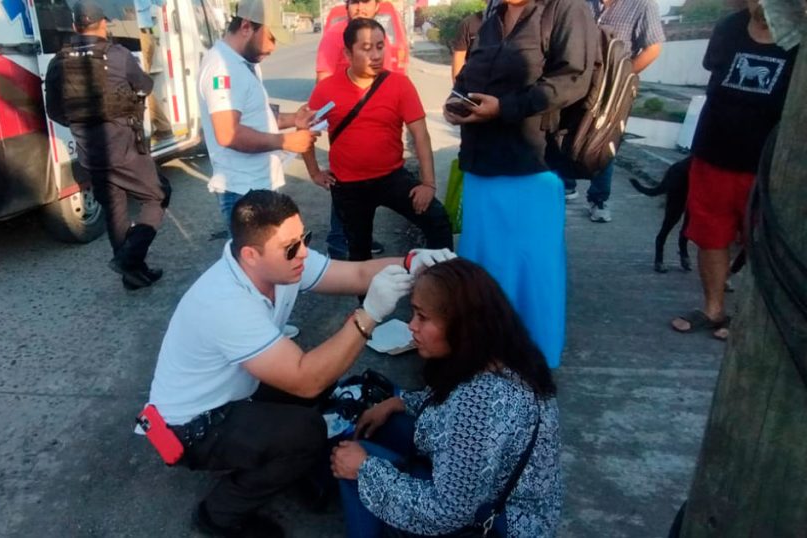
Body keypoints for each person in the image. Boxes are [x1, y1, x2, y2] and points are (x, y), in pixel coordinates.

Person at [143, 190, 455, 537]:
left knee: (321, 388)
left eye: (304, 238)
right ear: (250, 255)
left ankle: (290, 465)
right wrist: (368, 316)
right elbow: (306, 379)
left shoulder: (283, 266)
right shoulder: (225, 303)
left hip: (232, 388)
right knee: (308, 427)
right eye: (291, 247)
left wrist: (412, 262)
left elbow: (357, 274)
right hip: (190, 425)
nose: (303, 253)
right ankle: (219, 514)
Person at [331, 259, 563, 537]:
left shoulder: (479, 403)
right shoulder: (501, 356)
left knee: (352, 461)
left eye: (422, 317)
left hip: (498, 523)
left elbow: (447, 513)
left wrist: (364, 471)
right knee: (385, 424)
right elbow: (442, 404)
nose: (411, 326)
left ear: (462, 326)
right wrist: (399, 402)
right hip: (491, 493)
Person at [443, 0, 598, 367]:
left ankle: (531, 359)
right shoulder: (491, 17)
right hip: (482, 168)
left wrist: (504, 108)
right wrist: (456, 101)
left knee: (532, 268)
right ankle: (484, 352)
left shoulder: (565, 10)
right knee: (482, 268)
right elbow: (468, 74)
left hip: (532, 167)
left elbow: (572, 79)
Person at [670, 0, 797, 340]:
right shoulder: (729, 27)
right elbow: (715, 74)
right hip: (714, 153)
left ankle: (753, 317)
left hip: (768, 167)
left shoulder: (799, 38)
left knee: (763, 242)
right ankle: (714, 309)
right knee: (710, 235)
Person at [304, 18, 453, 264]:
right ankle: (366, 302)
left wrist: (428, 184)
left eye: (380, 46)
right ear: (347, 53)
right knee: (359, 252)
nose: (375, 55)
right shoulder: (326, 90)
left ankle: (440, 286)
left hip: (391, 177)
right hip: (349, 186)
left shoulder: (399, 85)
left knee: (437, 220)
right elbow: (306, 132)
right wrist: (314, 172)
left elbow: (421, 135)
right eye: (366, 48)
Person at [44, 0, 168, 290]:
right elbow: (146, 87)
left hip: (90, 152)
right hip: (124, 147)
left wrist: (82, 125)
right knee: (157, 195)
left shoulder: (57, 62)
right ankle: (129, 257)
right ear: (103, 24)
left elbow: (54, 111)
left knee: (115, 208)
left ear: (75, 26)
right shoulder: (118, 55)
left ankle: (132, 276)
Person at [197, 0, 318, 234]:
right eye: (271, 37)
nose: (273, 48)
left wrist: (295, 119)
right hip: (242, 191)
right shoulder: (222, 68)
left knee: (271, 261)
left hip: (258, 184)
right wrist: (286, 141)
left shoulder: (245, 63)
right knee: (256, 266)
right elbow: (228, 133)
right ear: (246, 27)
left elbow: (255, 117)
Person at [316, 0, 406, 259]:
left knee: (369, 182)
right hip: (347, 121)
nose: (360, 8)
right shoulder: (335, 35)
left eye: (366, 2)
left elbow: (389, 74)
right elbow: (323, 80)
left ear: (377, 6)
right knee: (346, 179)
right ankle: (338, 239)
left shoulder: (380, 35)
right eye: (354, 2)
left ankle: (358, 235)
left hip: (377, 120)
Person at [562, 0, 665, 221]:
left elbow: (653, 47)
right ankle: (566, 186)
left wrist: (623, 78)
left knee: (604, 140)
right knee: (565, 134)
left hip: (612, 90)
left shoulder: (643, 5)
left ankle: (599, 200)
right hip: (577, 83)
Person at [133, 0, 173, 140]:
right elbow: (162, 3)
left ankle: (163, 126)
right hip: (146, 33)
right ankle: (160, 125)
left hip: (136, 34)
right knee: (139, 82)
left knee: (137, 84)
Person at [450, 9, 484, 83]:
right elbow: (459, 56)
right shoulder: (469, 24)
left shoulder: (512, 25)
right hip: (475, 85)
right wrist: (457, 90)